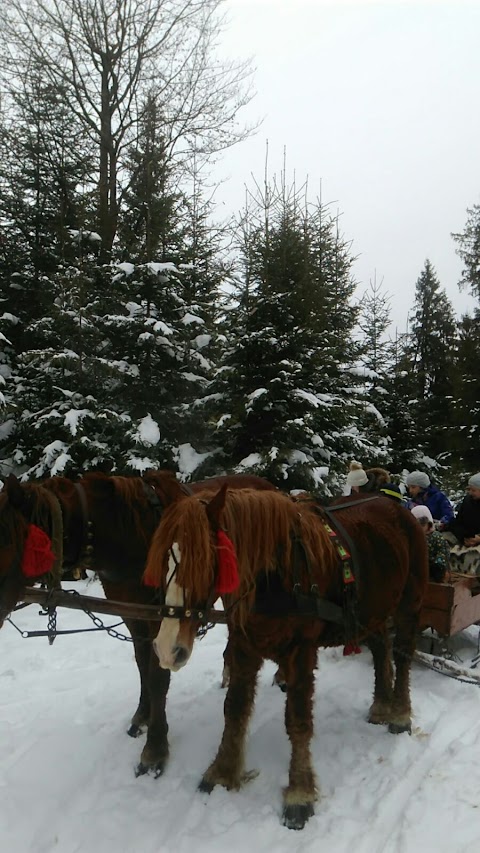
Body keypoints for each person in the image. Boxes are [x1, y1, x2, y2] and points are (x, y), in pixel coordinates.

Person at [443, 473, 480, 575]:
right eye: (469, 490)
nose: (470, 493)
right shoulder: (468, 501)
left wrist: (478, 539)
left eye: (474, 490)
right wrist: (463, 537)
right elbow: (458, 522)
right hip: (466, 537)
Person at [411, 505, 450, 583]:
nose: (419, 528)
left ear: (429, 524)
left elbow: (442, 554)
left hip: (434, 572)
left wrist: (437, 567)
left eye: (422, 525)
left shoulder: (436, 537)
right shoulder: (413, 538)